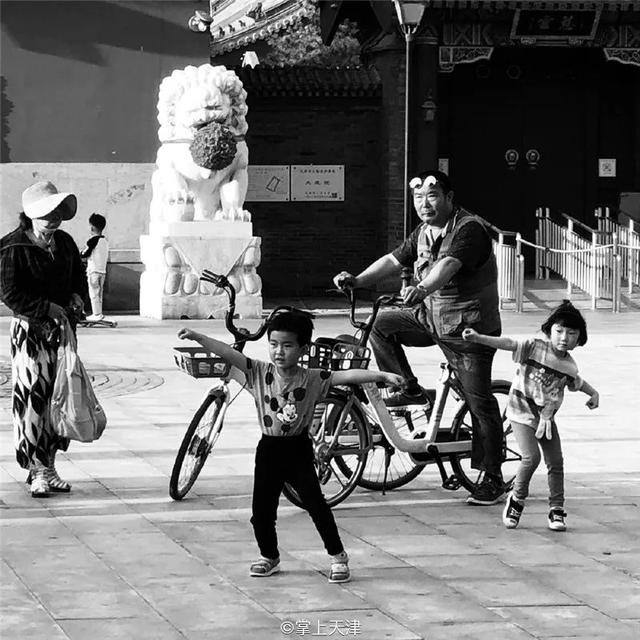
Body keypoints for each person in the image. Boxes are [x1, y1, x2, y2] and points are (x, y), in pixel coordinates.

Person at [178, 311, 404, 583]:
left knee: (316, 506)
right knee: (261, 512)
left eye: (287, 345)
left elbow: (347, 376)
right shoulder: (258, 371)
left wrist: (383, 375)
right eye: (273, 344)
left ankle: (338, 556)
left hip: (298, 450)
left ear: (302, 349)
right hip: (268, 450)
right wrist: (198, 337)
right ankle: (268, 556)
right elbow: (226, 352)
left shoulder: (312, 378)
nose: (279, 351)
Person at [333, 170, 505, 505]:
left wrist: (422, 288)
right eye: (418, 198)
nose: (424, 204)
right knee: (381, 324)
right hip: (430, 318)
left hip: (469, 328)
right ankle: (407, 388)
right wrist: (358, 280)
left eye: (432, 196)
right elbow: (394, 258)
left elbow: (450, 265)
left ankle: (493, 477)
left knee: (479, 401)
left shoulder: (469, 229)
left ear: (449, 198)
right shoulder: (424, 230)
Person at [463, 300, 599, 531]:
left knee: (556, 462)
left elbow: (578, 382)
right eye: (559, 331)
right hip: (520, 413)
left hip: (545, 419)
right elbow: (508, 343)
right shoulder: (534, 347)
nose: (564, 337)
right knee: (531, 458)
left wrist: (593, 393)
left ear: (579, 339)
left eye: (571, 333)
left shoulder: (570, 366)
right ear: (549, 331)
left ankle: (556, 509)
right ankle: (516, 500)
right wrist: (478, 338)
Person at [0, 181, 87, 497]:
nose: (53, 220)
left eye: (56, 213)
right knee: (33, 399)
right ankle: (36, 469)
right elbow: (9, 293)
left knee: (58, 398)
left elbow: (78, 275)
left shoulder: (63, 243)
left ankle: (50, 466)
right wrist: (45, 307)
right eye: (46, 214)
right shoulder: (12, 248)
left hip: (62, 332)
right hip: (30, 333)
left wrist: (77, 297)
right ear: (30, 216)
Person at [80, 212, 109, 322]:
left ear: (92, 227)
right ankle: (99, 313)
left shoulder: (93, 240)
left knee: (93, 293)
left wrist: (79, 255)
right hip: (102, 271)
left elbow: (85, 253)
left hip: (94, 271)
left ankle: (96, 314)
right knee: (99, 293)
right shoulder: (105, 241)